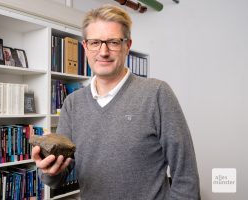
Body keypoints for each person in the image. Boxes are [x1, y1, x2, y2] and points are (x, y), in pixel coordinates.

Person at [32, 4, 200, 200]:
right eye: (95, 42)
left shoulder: (157, 93)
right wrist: (48, 171)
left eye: (113, 42)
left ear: (127, 46)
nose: (103, 52)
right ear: (85, 47)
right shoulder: (72, 103)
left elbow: (186, 177)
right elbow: (58, 177)